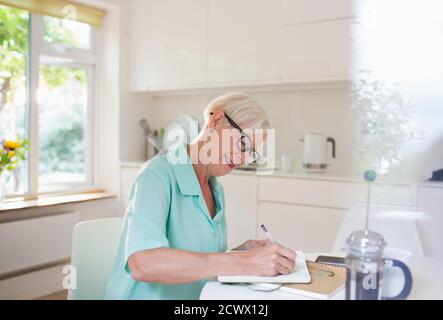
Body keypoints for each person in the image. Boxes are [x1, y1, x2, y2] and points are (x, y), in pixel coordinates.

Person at [105, 93, 296, 299]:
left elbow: (202, 261)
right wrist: (245, 262)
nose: (243, 158)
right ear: (216, 121)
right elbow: (142, 264)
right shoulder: (156, 175)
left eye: (251, 153)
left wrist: (241, 252)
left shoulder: (216, 190)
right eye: (243, 145)